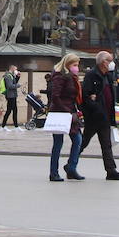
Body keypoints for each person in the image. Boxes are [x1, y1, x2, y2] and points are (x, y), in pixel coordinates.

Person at [80, 51, 119, 180]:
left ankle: (111, 171)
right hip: (94, 117)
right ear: (103, 62)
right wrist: (96, 108)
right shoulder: (92, 75)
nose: (112, 63)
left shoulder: (108, 76)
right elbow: (86, 96)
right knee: (83, 142)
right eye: (109, 60)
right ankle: (71, 164)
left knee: (107, 145)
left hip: (105, 117)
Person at [46, 53, 84, 181]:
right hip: (61, 113)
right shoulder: (59, 76)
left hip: (70, 112)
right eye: (74, 65)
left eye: (77, 65)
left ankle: (71, 167)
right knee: (58, 143)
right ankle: (54, 172)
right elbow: (55, 96)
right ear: (67, 64)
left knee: (78, 139)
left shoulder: (71, 77)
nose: (76, 67)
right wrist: (66, 111)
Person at [0, 65, 21, 129]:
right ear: (12, 69)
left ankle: (15, 126)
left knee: (14, 110)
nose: (16, 71)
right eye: (15, 69)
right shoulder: (8, 76)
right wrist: (18, 85)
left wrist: (17, 77)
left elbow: (14, 82)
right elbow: (10, 86)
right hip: (10, 96)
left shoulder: (11, 75)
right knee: (9, 111)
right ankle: (4, 126)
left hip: (13, 95)